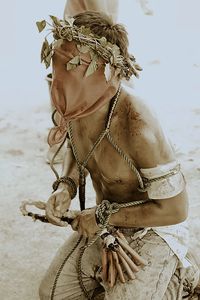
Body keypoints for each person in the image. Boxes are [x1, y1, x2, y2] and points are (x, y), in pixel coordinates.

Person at [38, 9, 200, 300]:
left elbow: (176, 210)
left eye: (72, 69)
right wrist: (67, 185)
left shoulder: (138, 125)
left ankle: (182, 275)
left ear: (104, 71)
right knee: (53, 293)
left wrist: (99, 219)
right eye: (58, 65)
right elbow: (78, 149)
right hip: (105, 223)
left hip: (154, 228)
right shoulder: (79, 106)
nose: (59, 80)